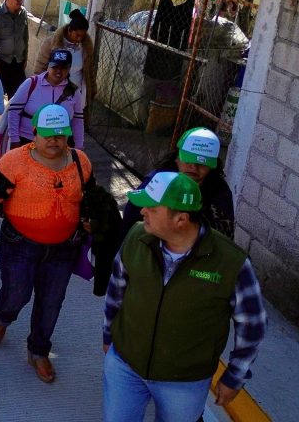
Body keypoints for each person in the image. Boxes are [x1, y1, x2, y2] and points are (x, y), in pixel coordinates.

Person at [103, 171, 266, 421]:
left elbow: (252, 325)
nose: (141, 211)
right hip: (125, 367)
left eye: (151, 208)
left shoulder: (231, 263)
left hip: (185, 382)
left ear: (181, 219)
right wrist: (109, 336)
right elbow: (116, 292)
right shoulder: (137, 237)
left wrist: (235, 376)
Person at [0, 104, 93, 384]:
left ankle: (38, 351)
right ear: (35, 133)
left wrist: (90, 221)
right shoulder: (13, 162)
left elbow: (91, 199)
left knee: (51, 301)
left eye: (61, 135)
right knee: (17, 293)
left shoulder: (81, 162)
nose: (54, 141)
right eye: (48, 135)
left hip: (64, 248)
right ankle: (3, 318)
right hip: (20, 245)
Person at [122, 127, 235, 240]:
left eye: (202, 163)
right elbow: (130, 219)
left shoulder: (220, 193)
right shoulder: (158, 180)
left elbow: (223, 237)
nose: (194, 167)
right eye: (188, 160)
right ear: (177, 158)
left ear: (212, 166)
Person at [7, 49, 86, 149]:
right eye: (55, 67)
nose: (59, 71)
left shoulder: (74, 92)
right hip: (28, 141)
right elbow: (14, 111)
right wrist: (14, 139)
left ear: (69, 68)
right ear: (48, 66)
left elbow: (77, 120)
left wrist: (79, 146)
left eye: (63, 68)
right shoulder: (31, 84)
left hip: (58, 146)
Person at [33, 8, 95, 104]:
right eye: (77, 35)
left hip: (78, 94)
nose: (79, 39)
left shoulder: (85, 48)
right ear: (69, 30)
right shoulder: (51, 44)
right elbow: (40, 67)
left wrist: (92, 89)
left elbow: (90, 71)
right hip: (55, 92)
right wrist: (38, 89)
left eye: (82, 36)